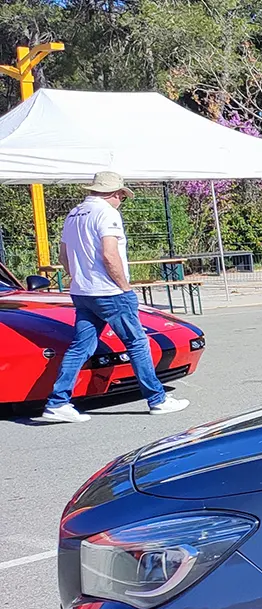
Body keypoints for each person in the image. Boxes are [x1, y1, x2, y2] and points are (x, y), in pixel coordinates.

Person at [39, 171, 190, 423]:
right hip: (110, 291)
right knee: (137, 342)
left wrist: (79, 277)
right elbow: (110, 254)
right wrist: (125, 287)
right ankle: (157, 399)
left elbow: (64, 256)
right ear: (116, 193)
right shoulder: (108, 214)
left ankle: (58, 402)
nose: (122, 200)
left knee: (81, 346)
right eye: (122, 196)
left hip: (82, 290)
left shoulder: (74, 213)